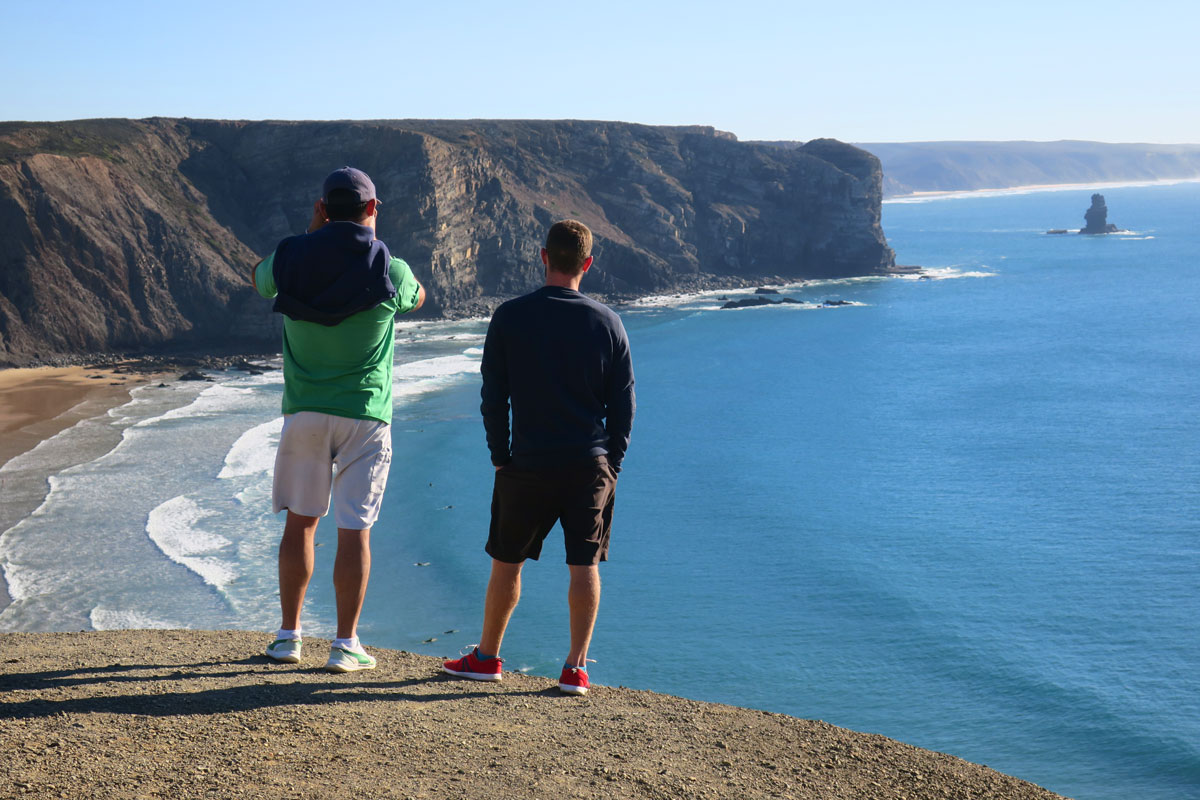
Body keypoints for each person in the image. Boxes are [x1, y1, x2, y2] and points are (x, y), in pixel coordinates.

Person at [442, 220, 635, 696]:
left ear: (543, 257)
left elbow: (493, 396)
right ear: (587, 264)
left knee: (507, 563)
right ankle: (574, 669)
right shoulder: (608, 322)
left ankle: (487, 659)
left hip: (525, 463)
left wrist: (500, 455)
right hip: (588, 465)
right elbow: (624, 405)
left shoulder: (510, 316)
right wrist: (612, 466)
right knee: (583, 564)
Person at [252, 166, 425, 672]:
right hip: (366, 417)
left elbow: (260, 279)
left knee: (301, 526)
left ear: (323, 208)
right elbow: (416, 299)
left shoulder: (289, 258)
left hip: (304, 412)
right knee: (354, 531)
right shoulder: (391, 269)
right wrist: (365, 238)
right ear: (372, 210)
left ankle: (288, 638)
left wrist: (312, 234)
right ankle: (346, 644)